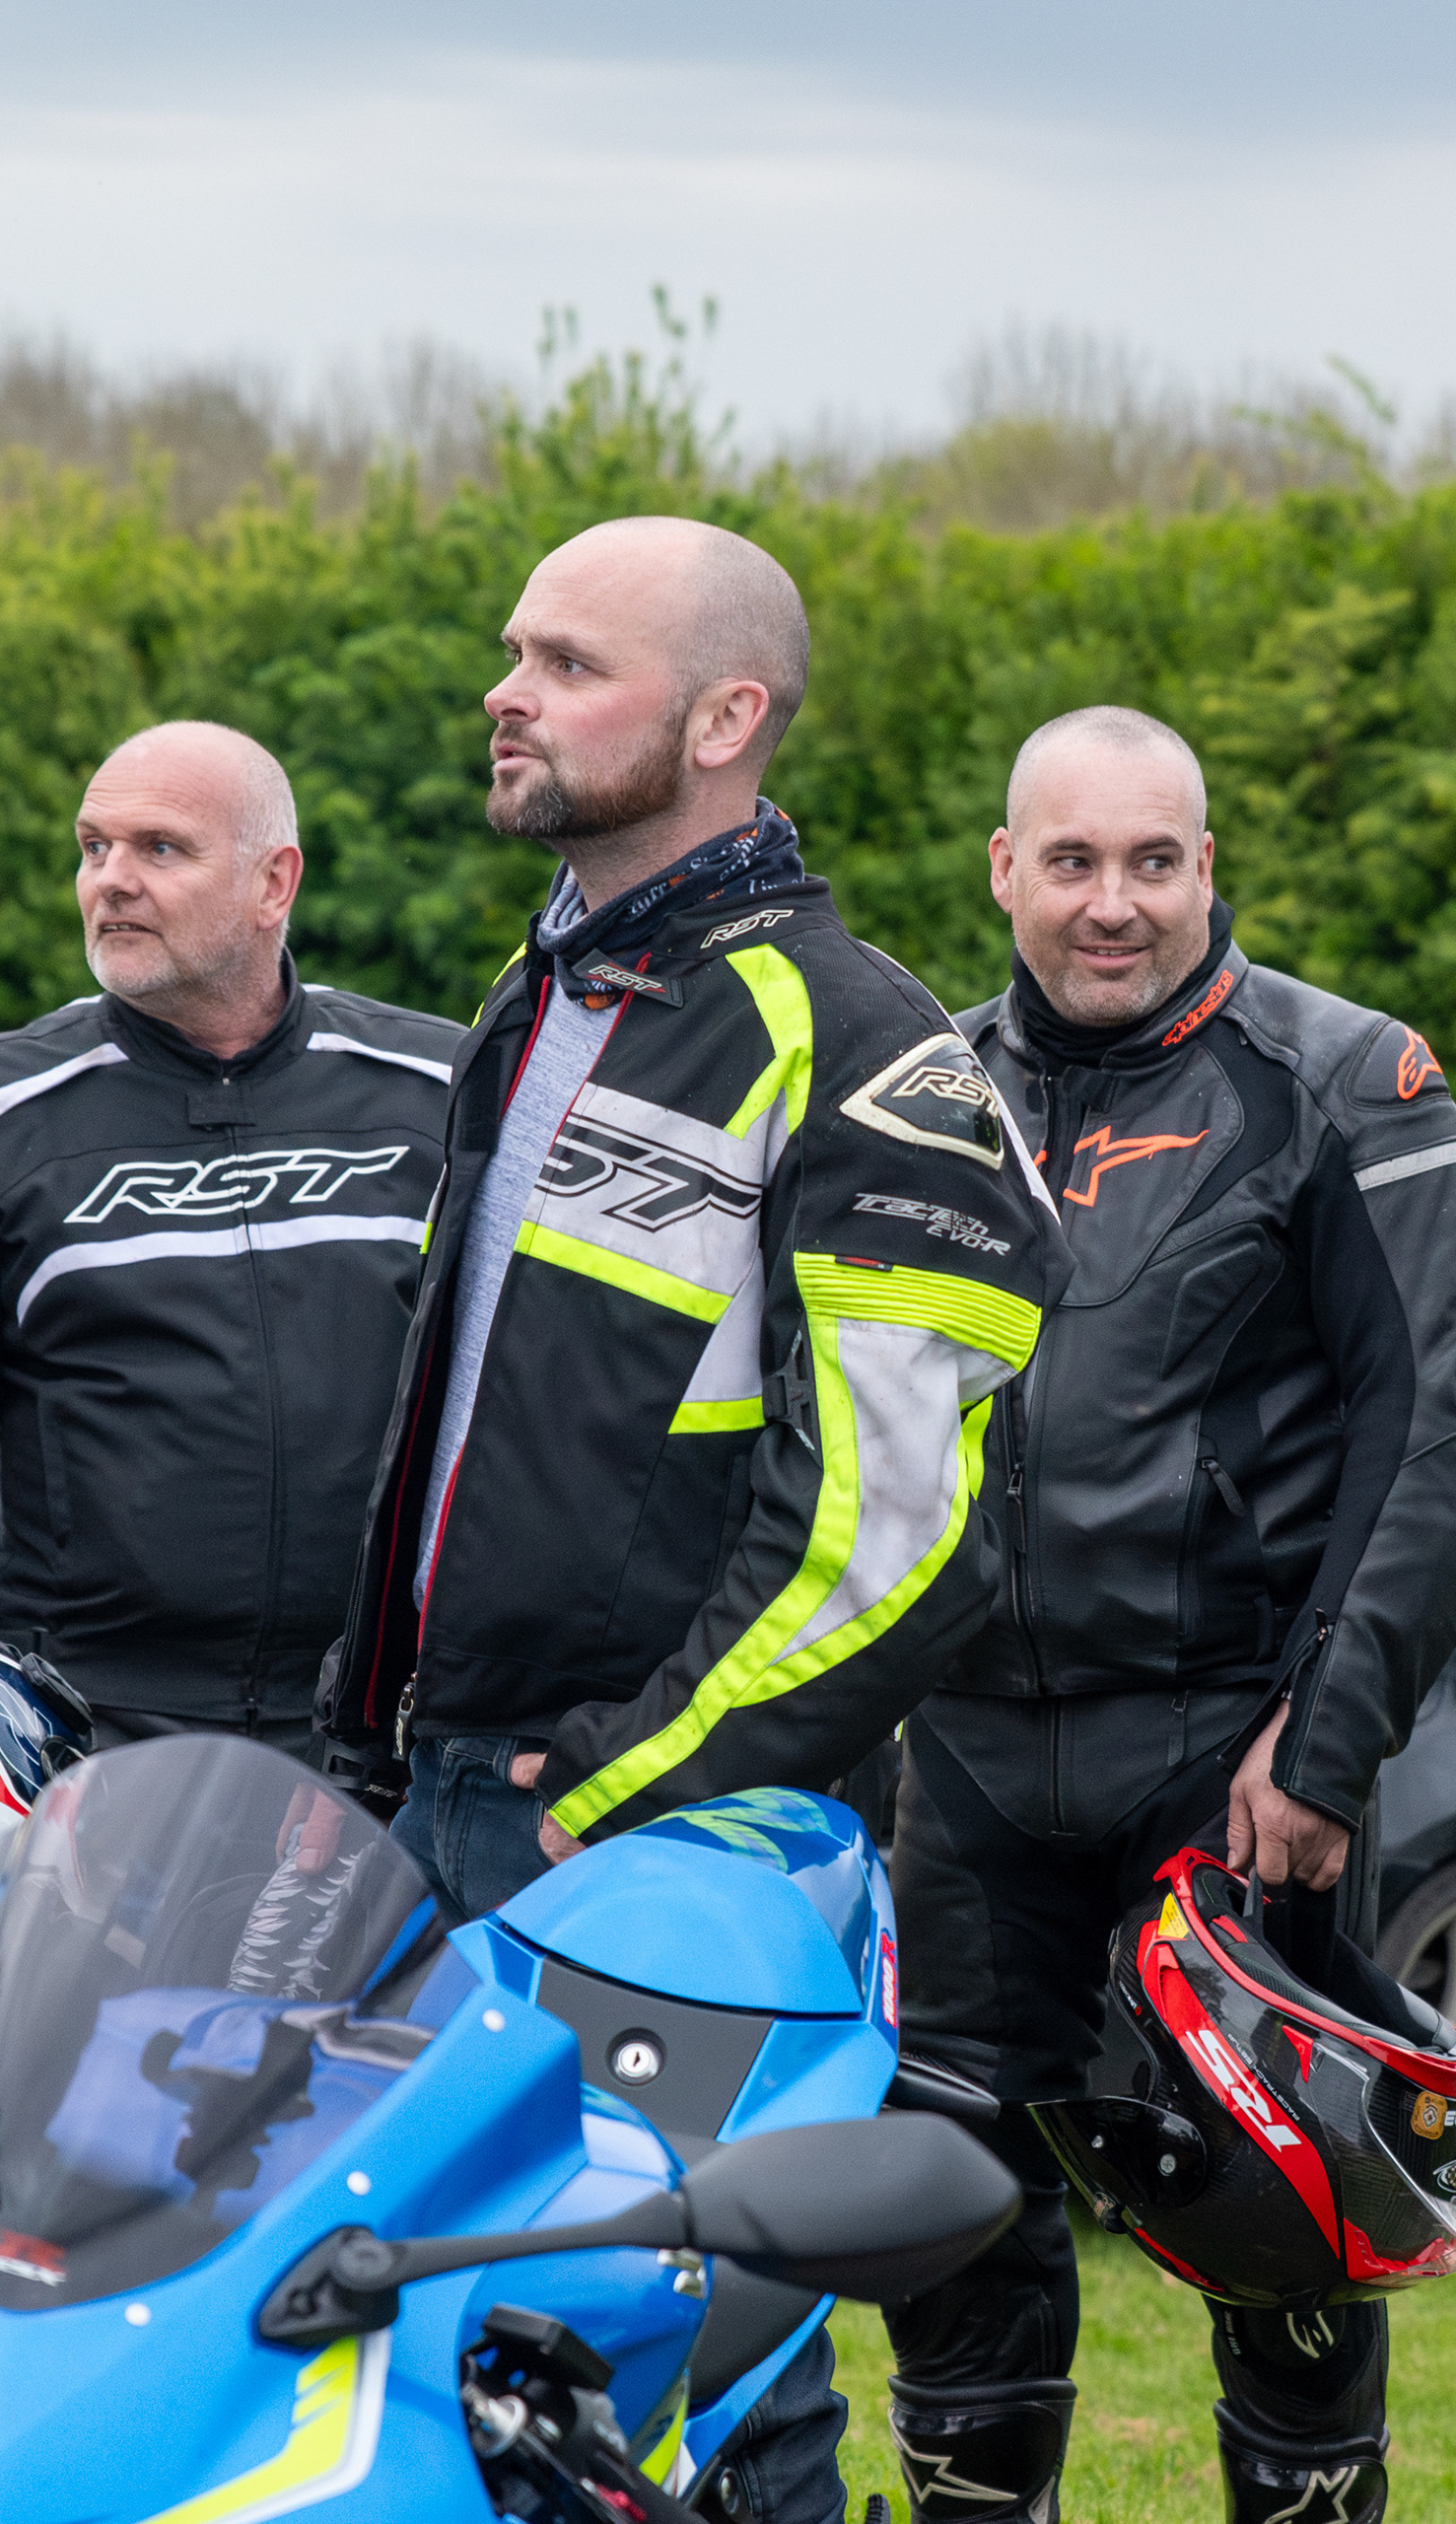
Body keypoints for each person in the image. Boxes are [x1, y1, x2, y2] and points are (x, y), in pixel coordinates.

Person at [315, 516, 1064, 2524]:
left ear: (727, 720)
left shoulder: (868, 1046)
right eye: (514, 650)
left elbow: (902, 1538)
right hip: (451, 1789)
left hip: (653, 1827)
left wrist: (622, 1785)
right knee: (441, 2356)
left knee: (702, 2363)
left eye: (569, 663)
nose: (507, 693)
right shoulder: (545, 988)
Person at [878, 707, 1456, 2524]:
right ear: (1003, 870)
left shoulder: (1349, 1079)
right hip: (971, 1764)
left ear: (1208, 867)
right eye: (1073, 862)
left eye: (1154, 862)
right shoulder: (915, 1094)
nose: (1114, 904)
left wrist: (1324, 1746)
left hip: (1230, 1764)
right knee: (950, 2217)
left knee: (1285, 2231)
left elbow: (1441, 1440)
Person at [0, 722, 458, 1756]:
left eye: (159, 848)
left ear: (273, 883)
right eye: (93, 846)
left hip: (388, 1733)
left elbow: (522, 1419)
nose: (111, 879)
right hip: (87, 1733)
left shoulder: (441, 1091)